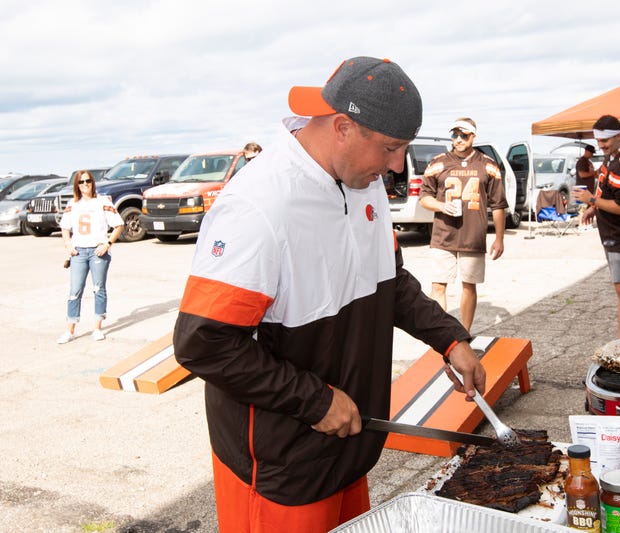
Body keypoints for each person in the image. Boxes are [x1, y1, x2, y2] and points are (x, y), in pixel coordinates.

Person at [172, 56, 487, 533]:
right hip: (282, 468)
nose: (397, 166)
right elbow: (203, 343)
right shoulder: (258, 206)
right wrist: (315, 401)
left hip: (350, 446)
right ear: (342, 127)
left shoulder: (365, 181)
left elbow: (389, 283)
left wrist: (449, 338)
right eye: (390, 148)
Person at [419, 117, 507, 333]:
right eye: (455, 135)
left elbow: (498, 205)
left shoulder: (488, 164)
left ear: (473, 137)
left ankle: (464, 334)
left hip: (473, 236)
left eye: (463, 135)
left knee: (468, 285)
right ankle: (441, 335)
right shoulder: (438, 162)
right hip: (443, 234)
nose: (458, 139)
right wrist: (441, 206)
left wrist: (499, 238)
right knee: (437, 285)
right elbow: (424, 197)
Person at [572, 115, 620, 339]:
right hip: (615, 230)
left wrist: (591, 200)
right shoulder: (612, 156)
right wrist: (594, 207)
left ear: (619, 136)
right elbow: (608, 190)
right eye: (598, 141)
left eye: (604, 141)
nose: (600, 145)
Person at [57, 171, 123, 344]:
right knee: (75, 291)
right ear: (77, 185)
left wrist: (107, 244)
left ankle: (97, 328)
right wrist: (68, 244)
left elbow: (118, 224)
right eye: (81, 182)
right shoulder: (73, 204)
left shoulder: (102, 202)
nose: (85, 184)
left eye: (88, 181)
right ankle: (70, 330)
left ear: (93, 182)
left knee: (98, 288)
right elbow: (65, 227)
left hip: (97, 251)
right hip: (78, 252)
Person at [575, 144, 598, 230]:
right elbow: (582, 174)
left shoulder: (588, 162)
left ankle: (587, 224)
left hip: (588, 190)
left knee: (588, 207)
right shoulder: (581, 161)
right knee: (582, 208)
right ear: (586, 151)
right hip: (582, 189)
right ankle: (581, 224)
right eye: (591, 152)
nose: (592, 154)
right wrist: (593, 173)